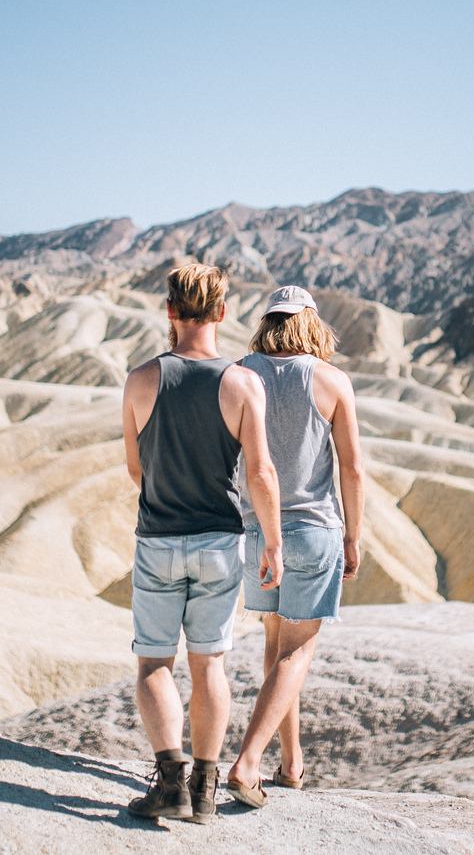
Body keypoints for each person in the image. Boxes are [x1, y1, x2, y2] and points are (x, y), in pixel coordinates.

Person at [121, 263, 283, 823]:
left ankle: (169, 784)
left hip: (159, 539)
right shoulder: (243, 383)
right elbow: (260, 472)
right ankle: (207, 790)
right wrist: (274, 542)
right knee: (209, 663)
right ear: (221, 312)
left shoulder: (141, 379)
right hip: (220, 542)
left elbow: (135, 470)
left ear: (169, 311)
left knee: (154, 665)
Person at [224, 285, 364, 809]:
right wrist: (353, 535)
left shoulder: (239, 374)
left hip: (257, 533)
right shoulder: (330, 380)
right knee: (298, 650)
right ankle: (248, 762)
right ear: (310, 324)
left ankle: (292, 761)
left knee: (274, 648)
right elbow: (351, 467)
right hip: (313, 530)